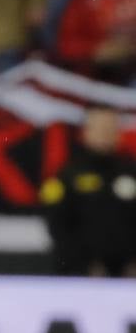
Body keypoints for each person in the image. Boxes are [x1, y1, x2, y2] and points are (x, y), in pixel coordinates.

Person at [41, 106, 136, 278]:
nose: (105, 134)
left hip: (129, 275)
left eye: (110, 128)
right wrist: (82, 264)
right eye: (99, 128)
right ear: (86, 132)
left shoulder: (131, 172)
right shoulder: (67, 176)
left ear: (119, 132)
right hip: (80, 276)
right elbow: (57, 226)